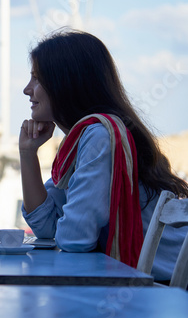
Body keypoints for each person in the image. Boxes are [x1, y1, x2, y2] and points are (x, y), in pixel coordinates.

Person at [19, 29, 188, 282]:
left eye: (36, 79)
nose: (26, 90)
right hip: (150, 285)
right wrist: (28, 153)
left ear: (64, 82)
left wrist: (63, 224)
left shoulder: (100, 137)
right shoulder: (86, 139)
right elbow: (45, 227)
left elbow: (74, 239)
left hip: (167, 292)